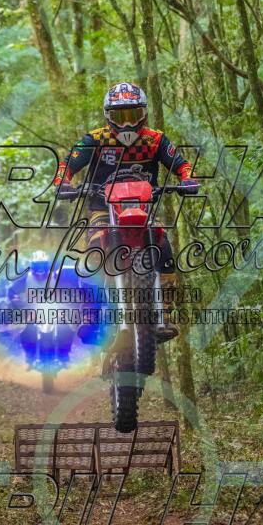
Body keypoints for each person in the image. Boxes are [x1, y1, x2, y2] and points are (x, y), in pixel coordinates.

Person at [53, 82, 199, 340]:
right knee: (94, 250)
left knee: (164, 247)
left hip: (143, 208)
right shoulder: (95, 139)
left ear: (144, 114)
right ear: (109, 117)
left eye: (133, 115)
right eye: (120, 116)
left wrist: (187, 179)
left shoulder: (155, 140)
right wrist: (62, 183)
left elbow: (182, 164)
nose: (127, 123)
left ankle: (164, 313)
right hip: (103, 209)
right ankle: (90, 313)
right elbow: (67, 165)